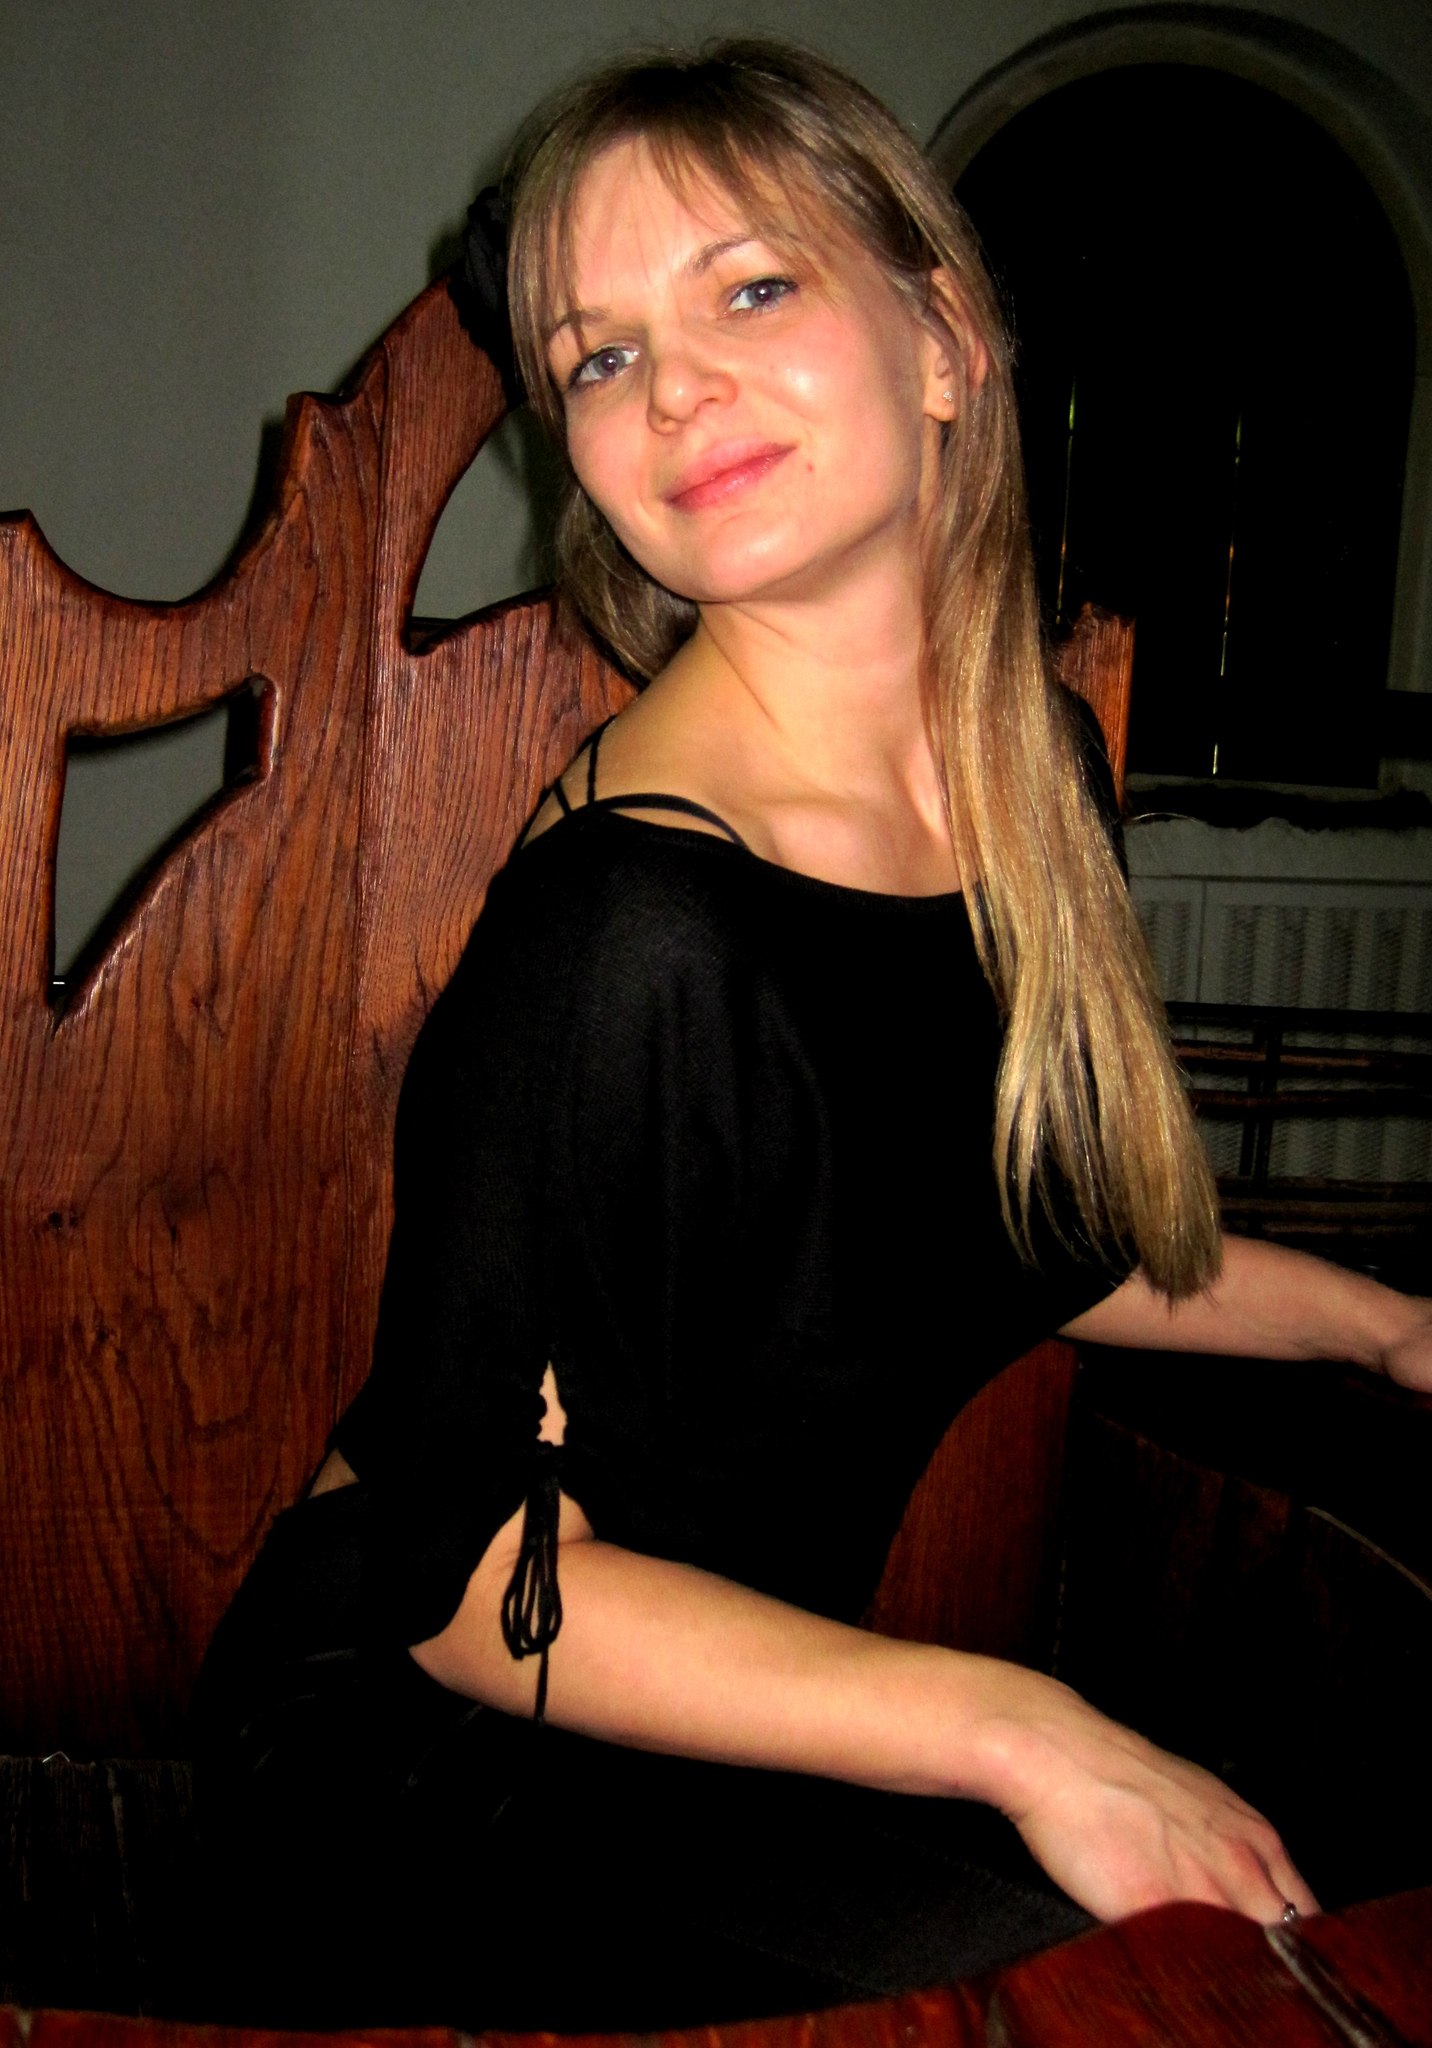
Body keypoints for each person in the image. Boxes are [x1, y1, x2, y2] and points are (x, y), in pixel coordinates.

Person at [192, 37, 1432, 2035]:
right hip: (432, 1759)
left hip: (746, 1718)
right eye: (599, 356)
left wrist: (1385, 1330)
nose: (671, 389)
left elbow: (1022, 1241)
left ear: (944, 339)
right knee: (1173, 1999)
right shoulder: (633, 926)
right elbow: (454, 1577)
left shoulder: (1028, 773)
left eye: (750, 288)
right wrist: (1021, 1728)